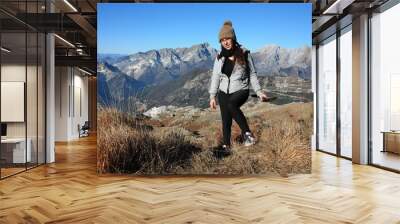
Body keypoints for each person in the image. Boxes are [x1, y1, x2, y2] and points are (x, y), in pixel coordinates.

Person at [209, 20, 268, 153]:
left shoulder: (244, 53)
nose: (225, 42)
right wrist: (212, 96)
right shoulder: (219, 57)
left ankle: (248, 134)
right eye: (222, 40)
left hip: (241, 89)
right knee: (226, 120)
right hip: (223, 92)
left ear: (233, 38)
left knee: (232, 105)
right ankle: (226, 146)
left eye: (228, 38)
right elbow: (215, 76)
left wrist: (258, 91)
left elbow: (252, 74)